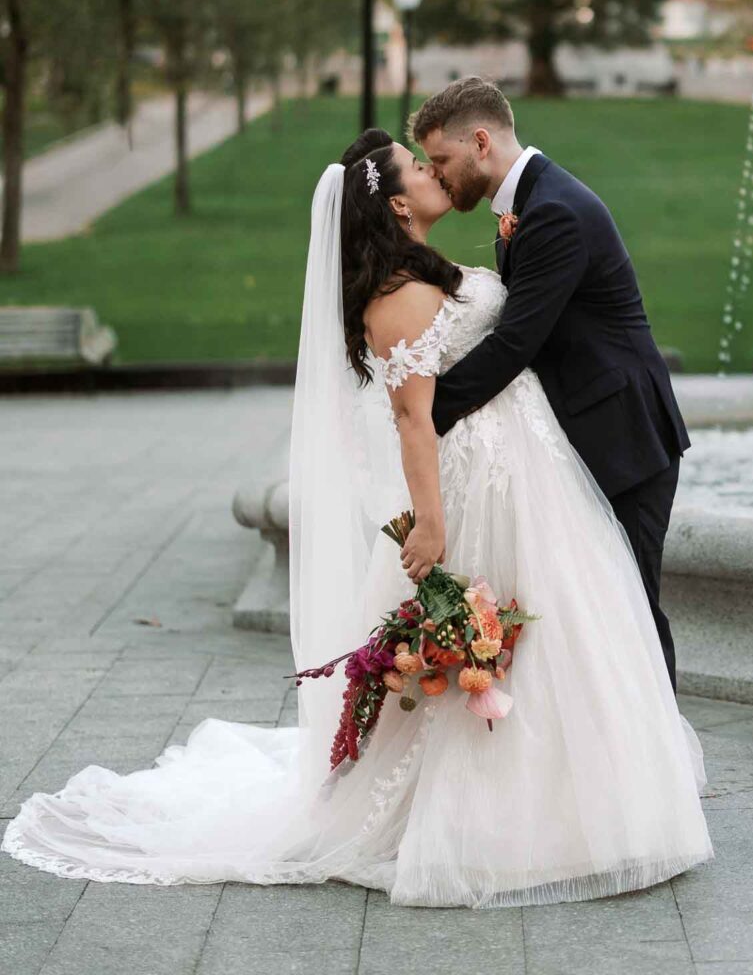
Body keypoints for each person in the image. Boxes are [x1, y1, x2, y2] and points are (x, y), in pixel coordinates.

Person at [2, 129, 712, 909]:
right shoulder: (397, 297)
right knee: (525, 634)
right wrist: (431, 526)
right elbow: (414, 421)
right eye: (420, 167)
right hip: (483, 481)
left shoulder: (420, 272)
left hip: (529, 466)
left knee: (568, 631)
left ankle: (596, 796)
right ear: (399, 202)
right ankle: (515, 817)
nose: (435, 171)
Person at [413, 76, 689, 691]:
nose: (437, 176)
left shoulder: (554, 212)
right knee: (605, 613)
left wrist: (424, 413)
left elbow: (514, 344)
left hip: (624, 440)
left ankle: (661, 776)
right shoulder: (532, 201)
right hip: (588, 433)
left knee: (633, 611)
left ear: (480, 142)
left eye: (442, 160)